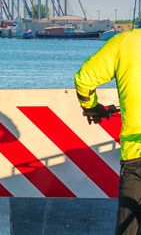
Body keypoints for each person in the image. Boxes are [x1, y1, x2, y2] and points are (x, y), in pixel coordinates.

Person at [74, 28, 141, 235]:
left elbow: (84, 79)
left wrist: (92, 107)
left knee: (128, 229)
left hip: (135, 155)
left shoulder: (124, 42)